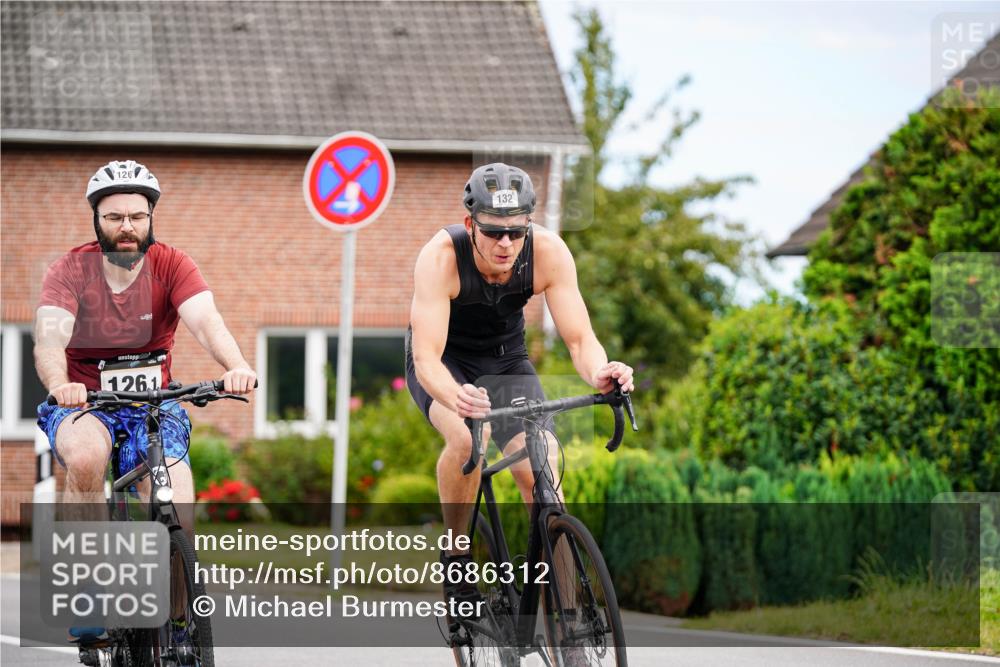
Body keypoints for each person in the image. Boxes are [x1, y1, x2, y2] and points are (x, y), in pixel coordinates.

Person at [34, 159, 257, 647]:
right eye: (115, 217)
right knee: (88, 459)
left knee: (178, 499)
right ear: (97, 220)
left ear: (151, 217)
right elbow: (49, 339)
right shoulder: (70, 270)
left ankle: (179, 623)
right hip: (84, 400)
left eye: (136, 216)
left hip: (153, 404)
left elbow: (205, 321)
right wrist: (59, 383)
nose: (127, 227)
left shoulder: (173, 264)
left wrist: (235, 365)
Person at [405, 162, 634, 613]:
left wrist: (601, 372)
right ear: (471, 224)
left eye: (516, 231)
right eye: (493, 232)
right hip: (445, 360)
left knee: (543, 472)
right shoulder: (440, 257)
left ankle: (570, 620)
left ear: (529, 224)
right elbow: (426, 359)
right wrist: (456, 396)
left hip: (507, 359)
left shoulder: (549, 252)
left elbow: (579, 338)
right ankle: (456, 556)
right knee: (469, 437)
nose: (506, 243)